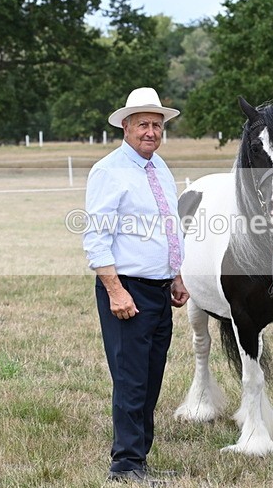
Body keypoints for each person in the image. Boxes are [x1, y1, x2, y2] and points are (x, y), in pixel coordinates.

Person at [83, 87, 190, 485]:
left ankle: (140, 458)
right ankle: (125, 465)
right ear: (125, 127)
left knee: (151, 377)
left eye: (157, 125)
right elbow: (96, 237)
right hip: (128, 288)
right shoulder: (109, 170)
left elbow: (169, 227)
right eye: (143, 124)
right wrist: (115, 290)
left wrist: (177, 275)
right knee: (131, 379)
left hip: (161, 288)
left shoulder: (158, 166)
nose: (151, 131)